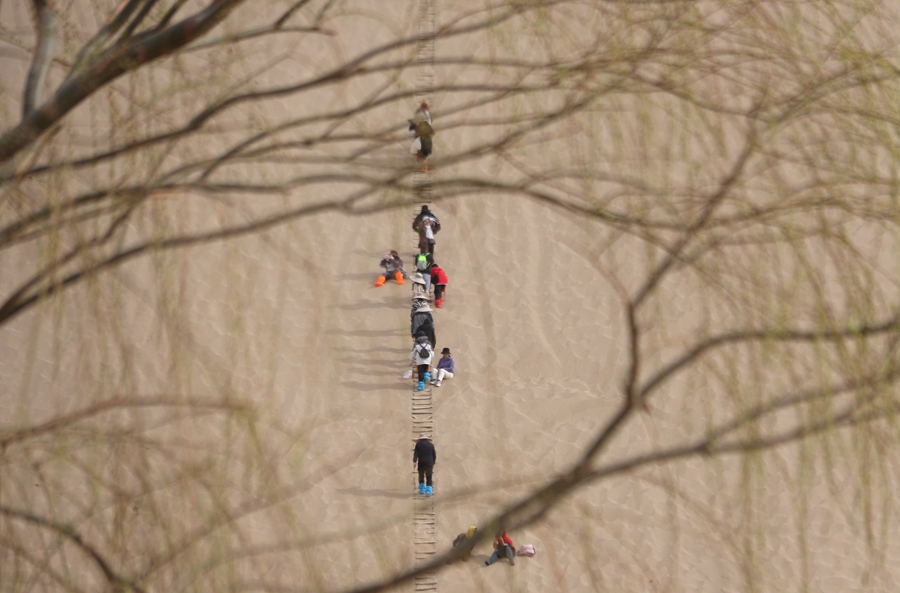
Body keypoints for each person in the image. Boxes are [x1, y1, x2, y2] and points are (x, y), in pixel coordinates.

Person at [408, 101, 435, 172]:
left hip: (422, 141)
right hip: (425, 140)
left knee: (419, 153)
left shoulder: (421, 120)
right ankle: (425, 165)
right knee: (420, 153)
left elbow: (412, 133)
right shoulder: (425, 118)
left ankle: (424, 167)